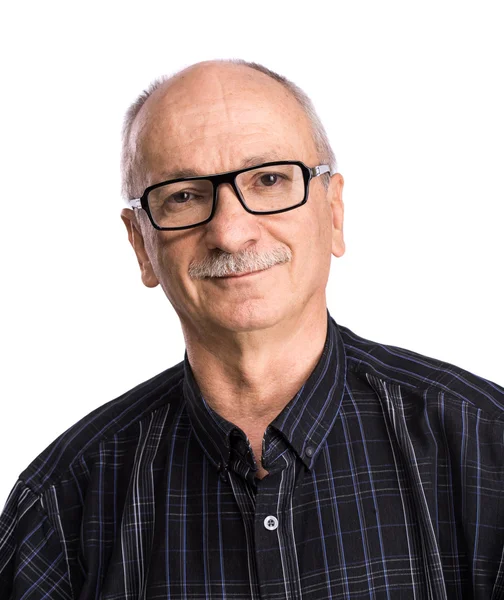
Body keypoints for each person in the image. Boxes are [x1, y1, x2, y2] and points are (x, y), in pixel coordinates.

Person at [0, 59, 502, 600]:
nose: (231, 232)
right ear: (140, 244)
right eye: (184, 195)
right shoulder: (60, 504)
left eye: (268, 180)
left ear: (333, 211)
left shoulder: (487, 451)